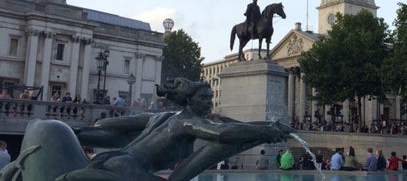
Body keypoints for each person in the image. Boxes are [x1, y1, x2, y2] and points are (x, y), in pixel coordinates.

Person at [0, 78, 293, 181]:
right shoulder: (187, 122)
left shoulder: (159, 118)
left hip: (111, 160)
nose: (209, 102)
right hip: (133, 174)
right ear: (191, 100)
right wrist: (266, 132)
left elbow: (108, 126)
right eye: (205, 98)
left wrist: (80, 133)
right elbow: (223, 136)